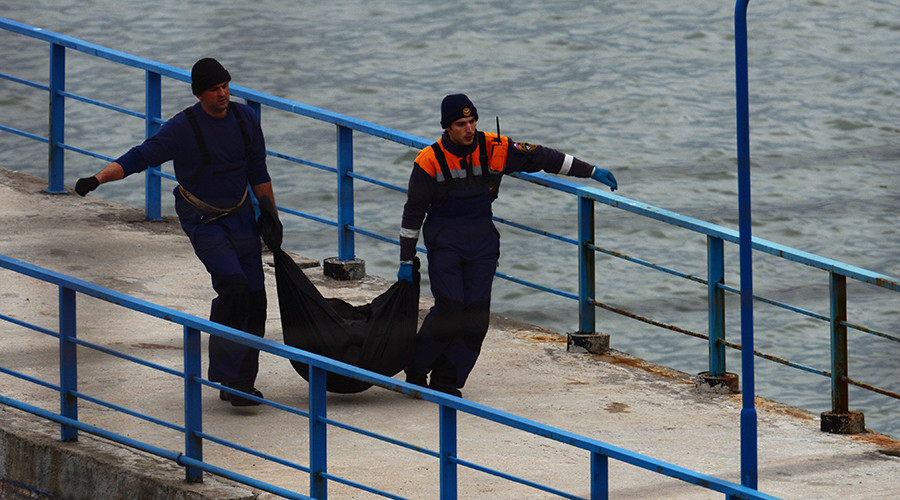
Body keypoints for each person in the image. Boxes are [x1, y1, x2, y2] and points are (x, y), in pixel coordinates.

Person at [73, 58, 281, 407]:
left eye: (226, 86)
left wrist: (271, 216)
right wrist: (97, 179)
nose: (223, 94)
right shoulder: (183, 128)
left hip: (242, 214)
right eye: (214, 89)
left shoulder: (246, 120)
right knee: (233, 287)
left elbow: (258, 170)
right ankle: (229, 379)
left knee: (256, 297)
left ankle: (243, 381)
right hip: (203, 219)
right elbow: (140, 156)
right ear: (200, 93)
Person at [397, 93, 617, 397]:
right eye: (461, 124)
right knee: (450, 308)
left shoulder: (494, 147)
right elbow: (413, 213)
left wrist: (591, 171)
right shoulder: (429, 160)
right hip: (445, 241)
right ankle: (417, 370)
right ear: (447, 127)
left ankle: (448, 381)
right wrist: (406, 261)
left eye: (473, 121)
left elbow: (543, 157)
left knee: (476, 316)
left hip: (482, 241)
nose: (470, 129)